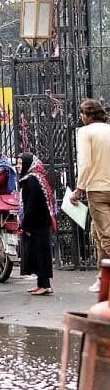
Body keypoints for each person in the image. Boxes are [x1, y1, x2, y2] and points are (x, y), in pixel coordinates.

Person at [71, 98, 110, 292]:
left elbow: (85, 163)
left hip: (97, 189)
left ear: (86, 115)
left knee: (105, 235)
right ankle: (102, 277)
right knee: (98, 233)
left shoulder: (85, 132)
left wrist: (79, 188)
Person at [18, 152, 57, 295]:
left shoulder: (32, 180)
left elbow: (31, 205)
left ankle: (45, 285)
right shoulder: (34, 178)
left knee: (41, 254)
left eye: (21, 163)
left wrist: (26, 224)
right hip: (39, 222)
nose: (18, 166)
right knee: (38, 254)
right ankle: (41, 284)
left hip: (38, 223)